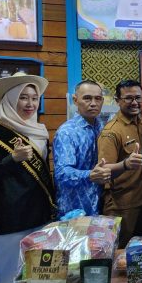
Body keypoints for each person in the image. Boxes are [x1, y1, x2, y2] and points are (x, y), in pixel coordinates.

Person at [0, 72, 54, 283]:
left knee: (37, 281)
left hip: (38, 218)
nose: (30, 104)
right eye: (23, 98)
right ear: (9, 101)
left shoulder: (39, 132)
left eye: (34, 98)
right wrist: (12, 159)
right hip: (8, 223)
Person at [97, 79, 142, 247]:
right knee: (120, 252)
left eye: (138, 97)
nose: (134, 102)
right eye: (128, 98)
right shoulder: (112, 131)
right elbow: (102, 170)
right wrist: (126, 164)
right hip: (122, 205)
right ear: (117, 100)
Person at [53, 80, 107, 217]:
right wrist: (90, 175)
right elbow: (62, 174)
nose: (93, 103)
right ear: (75, 100)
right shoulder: (67, 132)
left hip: (101, 204)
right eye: (87, 98)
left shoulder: (103, 128)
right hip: (74, 209)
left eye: (98, 98)